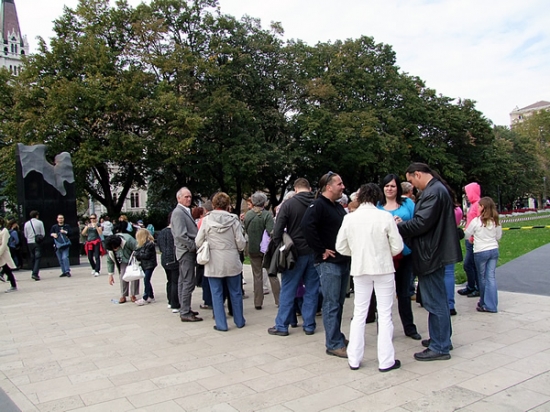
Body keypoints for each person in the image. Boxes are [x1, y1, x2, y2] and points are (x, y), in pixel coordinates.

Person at [396, 163, 462, 361]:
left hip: (431, 254)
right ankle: (442, 339)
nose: (412, 186)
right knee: (438, 299)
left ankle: (440, 346)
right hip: (433, 252)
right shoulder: (437, 190)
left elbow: (421, 223)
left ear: (418, 174)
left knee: (435, 301)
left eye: (411, 181)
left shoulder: (433, 192)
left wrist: (399, 226)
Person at [336, 183, 403, 372]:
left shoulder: (349, 218)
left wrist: (357, 254)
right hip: (383, 268)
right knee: (385, 314)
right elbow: (397, 246)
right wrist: (384, 254)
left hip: (360, 268)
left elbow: (340, 246)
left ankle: (354, 359)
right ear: (377, 197)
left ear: (360, 197)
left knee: (359, 313)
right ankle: (386, 360)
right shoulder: (385, 217)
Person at [301, 171, 351, 358]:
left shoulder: (336, 206)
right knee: (331, 303)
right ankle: (333, 344)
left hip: (342, 260)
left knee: (338, 302)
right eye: (339, 184)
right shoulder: (318, 205)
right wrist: (321, 250)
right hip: (329, 263)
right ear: (328, 187)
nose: (343, 187)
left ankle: (336, 335)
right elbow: (307, 226)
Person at [268, 178, 320, 337]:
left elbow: (277, 230)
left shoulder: (289, 204)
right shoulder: (318, 203)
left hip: (294, 252)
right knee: (312, 289)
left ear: (295, 189)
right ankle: (309, 324)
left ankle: (282, 325)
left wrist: (279, 245)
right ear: (309, 188)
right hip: (314, 251)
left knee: (288, 288)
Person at [377, 174, 421, 340]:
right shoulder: (377, 205)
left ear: (398, 188)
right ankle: (384, 329)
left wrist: (402, 224)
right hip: (384, 255)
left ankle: (409, 328)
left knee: (404, 293)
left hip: (405, 252)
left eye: (393, 186)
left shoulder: (407, 203)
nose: (389, 189)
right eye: (387, 186)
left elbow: (417, 223)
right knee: (384, 294)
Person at [195, 192, 247, 331]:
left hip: (213, 260)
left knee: (216, 293)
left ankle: (221, 324)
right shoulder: (234, 220)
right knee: (235, 292)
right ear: (228, 205)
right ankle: (239, 321)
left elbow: (198, 241)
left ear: (213, 204)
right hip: (231, 259)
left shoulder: (206, 220)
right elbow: (241, 242)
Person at [464, 197, 502, 313]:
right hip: (493, 249)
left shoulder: (476, 221)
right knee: (491, 277)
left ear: (482, 207)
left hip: (480, 251)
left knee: (482, 278)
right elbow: (498, 236)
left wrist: (472, 238)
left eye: (479, 206)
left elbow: (467, 234)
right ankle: (492, 304)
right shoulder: (495, 221)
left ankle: (484, 302)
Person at [244, 191, 280, 310]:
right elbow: (271, 231)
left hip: (252, 248)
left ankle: (258, 302)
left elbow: (245, 230)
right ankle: (279, 300)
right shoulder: (267, 215)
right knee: (272, 273)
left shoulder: (248, 215)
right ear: (264, 202)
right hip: (266, 249)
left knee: (257, 276)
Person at [171, 187, 201, 322]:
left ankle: (185, 307)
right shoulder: (178, 212)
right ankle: (185, 311)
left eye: (190, 196)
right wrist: (192, 246)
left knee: (183, 281)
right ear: (179, 198)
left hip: (185, 251)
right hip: (186, 251)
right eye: (186, 197)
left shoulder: (183, 211)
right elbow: (180, 235)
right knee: (188, 281)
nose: (189, 199)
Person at [458, 182, 481, 297]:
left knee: (469, 264)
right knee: (471, 264)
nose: (466, 195)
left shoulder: (478, 205)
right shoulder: (473, 204)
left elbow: (478, 222)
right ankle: (471, 286)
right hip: (470, 238)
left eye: (467, 193)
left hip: (473, 239)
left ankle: (476, 287)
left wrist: (472, 236)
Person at [105, 234, 139, 303]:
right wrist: (110, 275)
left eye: (115, 248)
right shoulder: (110, 247)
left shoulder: (128, 240)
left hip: (133, 259)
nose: (114, 250)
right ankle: (123, 295)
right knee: (122, 276)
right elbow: (109, 261)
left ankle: (133, 295)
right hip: (122, 261)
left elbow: (138, 249)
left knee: (134, 276)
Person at [157, 213, 180, 313]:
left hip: (164, 258)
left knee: (169, 281)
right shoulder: (174, 232)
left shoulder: (162, 232)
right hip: (174, 258)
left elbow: (159, 245)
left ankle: (170, 301)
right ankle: (175, 304)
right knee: (175, 281)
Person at [447, 201, 464, 316]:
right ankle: (450, 304)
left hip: (439, 241)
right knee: (449, 273)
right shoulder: (457, 210)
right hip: (451, 241)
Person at [134, 229, 158, 306]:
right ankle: (151, 296)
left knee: (146, 280)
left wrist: (138, 254)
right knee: (147, 280)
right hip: (144, 264)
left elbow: (147, 255)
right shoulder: (142, 245)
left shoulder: (150, 244)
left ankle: (145, 297)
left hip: (150, 265)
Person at [23, 210, 44, 281]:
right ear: (37, 215)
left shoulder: (26, 224)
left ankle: (33, 270)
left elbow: (25, 234)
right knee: (38, 257)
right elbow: (43, 233)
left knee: (32, 257)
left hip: (29, 242)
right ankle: (35, 273)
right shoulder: (40, 222)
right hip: (37, 242)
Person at [0, 217, 18, 292]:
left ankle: (13, 285)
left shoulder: (4, 231)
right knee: (6, 269)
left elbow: (4, 244)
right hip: (1, 253)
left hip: (3, 253)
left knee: (7, 269)